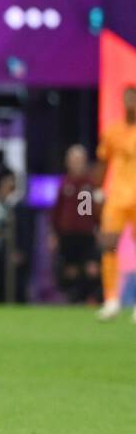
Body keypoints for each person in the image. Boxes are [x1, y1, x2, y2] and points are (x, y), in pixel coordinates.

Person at [95, 85, 136, 321]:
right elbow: (102, 161)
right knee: (109, 244)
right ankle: (111, 299)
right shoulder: (113, 131)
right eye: (127, 98)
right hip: (117, 195)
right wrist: (98, 192)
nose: (130, 103)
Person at [51, 144, 99, 303]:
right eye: (73, 160)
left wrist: (97, 227)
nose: (76, 163)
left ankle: (88, 299)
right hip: (67, 235)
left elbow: (93, 211)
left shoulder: (89, 184)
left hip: (85, 234)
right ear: (67, 162)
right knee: (69, 270)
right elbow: (56, 211)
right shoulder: (64, 184)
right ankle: (72, 300)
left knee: (89, 268)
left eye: (79, 160)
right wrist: (53, 233)